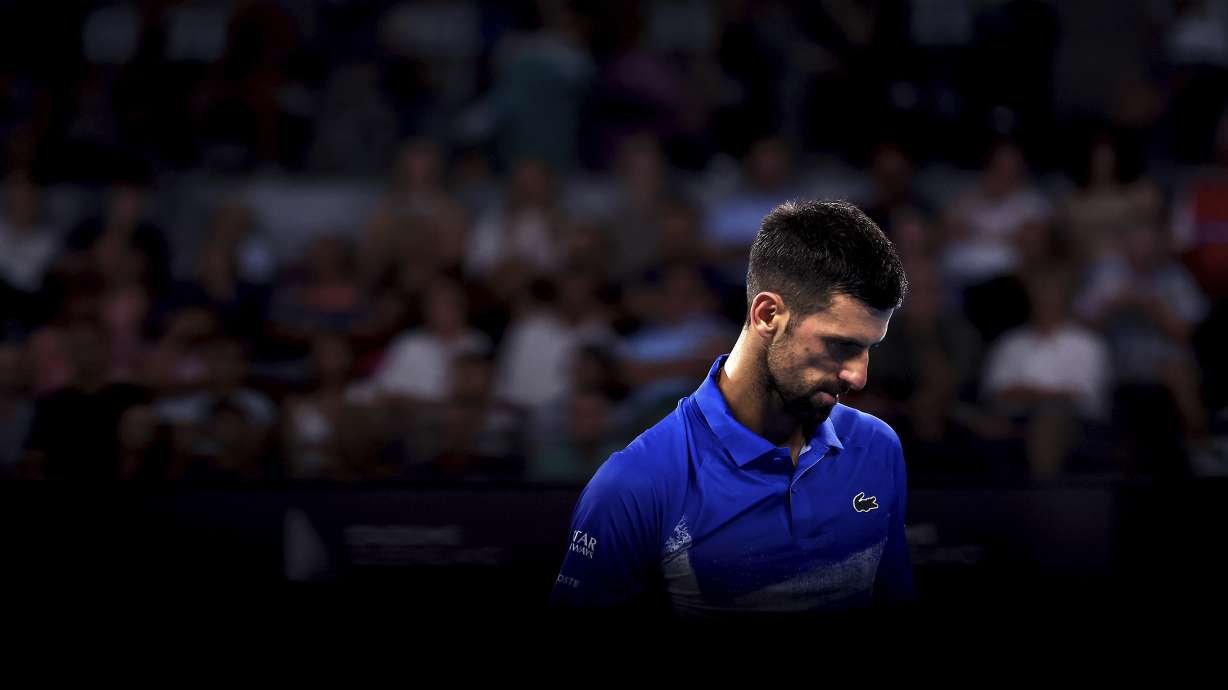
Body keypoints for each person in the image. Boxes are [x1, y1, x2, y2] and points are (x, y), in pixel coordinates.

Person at [548, 199, 916, 617]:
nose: (858, 377)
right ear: (767, 314)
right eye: (842, 345)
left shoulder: (878, 448)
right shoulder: (633, 484)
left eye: (869, 348)